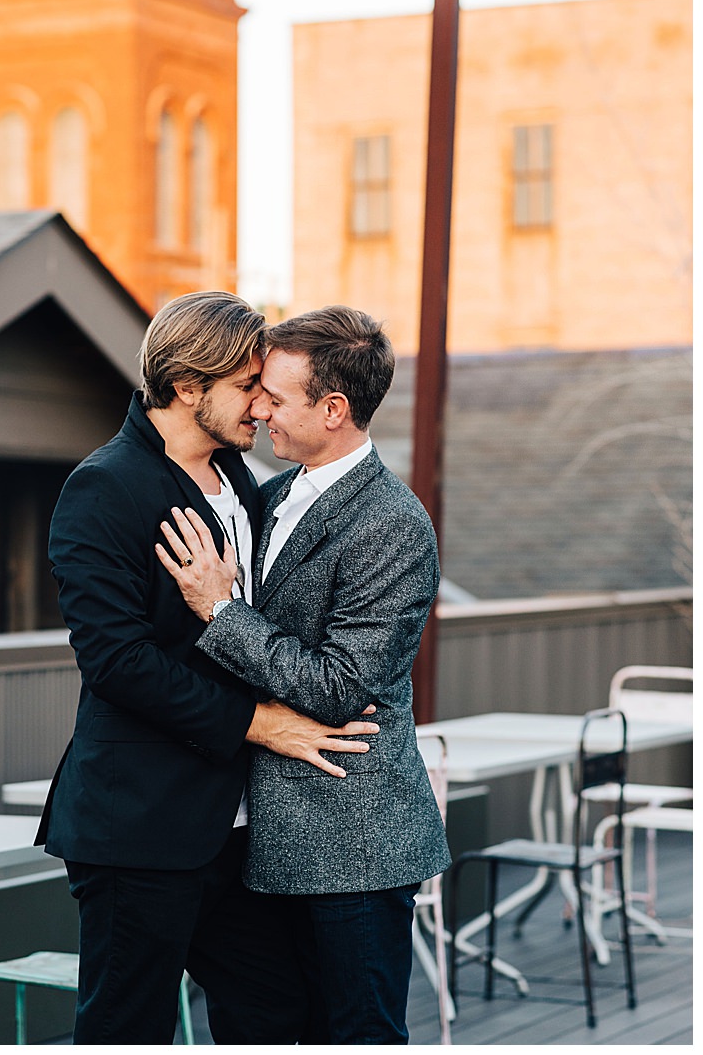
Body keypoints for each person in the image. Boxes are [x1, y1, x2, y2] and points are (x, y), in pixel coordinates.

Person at [34, 292, 379, 1045]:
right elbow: (116, 661)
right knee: (130, 1027)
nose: (262, 403)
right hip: (141, 823)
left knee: (275, 1010)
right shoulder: (104, 487)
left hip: (238, 828)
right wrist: (262, 725)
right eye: (246, 385)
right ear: (189, 385)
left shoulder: (244, 483)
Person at [157, 305, 451, 1045]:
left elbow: (336, 686)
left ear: (334, 409)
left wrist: (220, 611)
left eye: (275, 398)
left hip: (354, 841)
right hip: (262, 837)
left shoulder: (393, 523)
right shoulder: (274, 494)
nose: (257, 408)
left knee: (355, 1034)